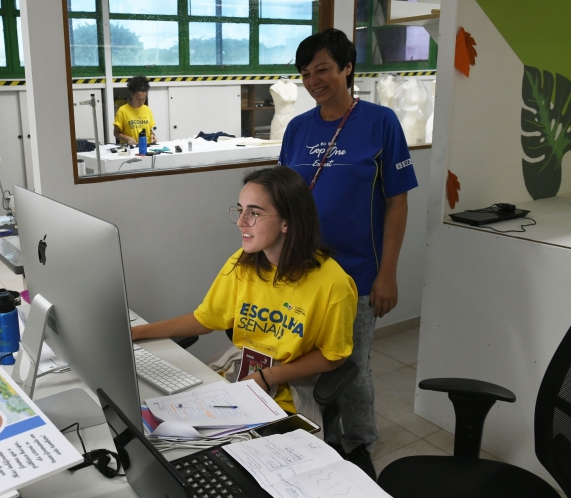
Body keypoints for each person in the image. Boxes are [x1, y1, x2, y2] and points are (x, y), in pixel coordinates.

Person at [279, 28, 418, 479]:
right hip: (304, 273)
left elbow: (397, 202)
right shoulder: (297, 129)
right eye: (305, 73)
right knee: (310, 360)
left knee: (353, 366)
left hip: (358, 273)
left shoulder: (380, 122)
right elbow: (284, 200)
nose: (313, 81)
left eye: (322, 69)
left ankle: (359, 444)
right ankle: (323, 436)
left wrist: (388, 274)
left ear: (347, 68)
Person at [131, 167, 358, 419]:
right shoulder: (242, 262)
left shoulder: (333, 284)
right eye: (240, 210)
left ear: (287, 221)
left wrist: (269, 376)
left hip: (287, 392)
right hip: (238, 376)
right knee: (157, 417)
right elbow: (204, 319)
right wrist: (135, 333)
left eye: (254, 213)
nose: (241, 222)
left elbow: (334, 357)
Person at [113, 75, 157, 145]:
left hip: (145, 146)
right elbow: (116, 133)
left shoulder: (147, 110)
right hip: (130, 147)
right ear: (132, 94)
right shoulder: (122, 110)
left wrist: (152, 135)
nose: (141, 102)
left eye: (144, 99)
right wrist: (127, 138)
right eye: (138, 98)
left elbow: (149, 130)